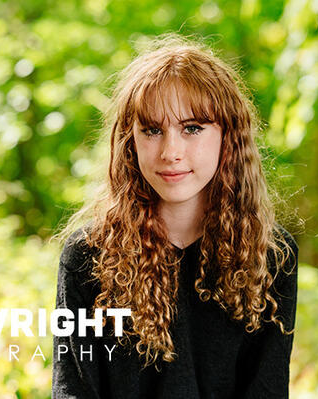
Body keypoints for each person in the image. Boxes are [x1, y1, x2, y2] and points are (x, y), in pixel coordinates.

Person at [51, 34, 299, 399]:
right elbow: (74, 389)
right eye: (152, 130)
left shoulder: (270, 256)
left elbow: (267, 389)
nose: (171, 151)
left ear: (228, 135)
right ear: (129, 141)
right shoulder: (88, 255)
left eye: (192, 128)